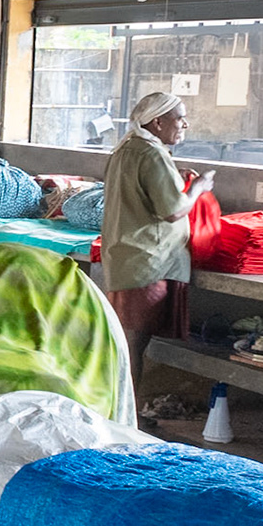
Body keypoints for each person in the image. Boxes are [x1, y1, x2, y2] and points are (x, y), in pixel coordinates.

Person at [101, 91, 215, 379]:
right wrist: (198, 188)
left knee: (126, 343)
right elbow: (174, 211)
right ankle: (130, 417)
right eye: (179, 118)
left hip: (124, 256)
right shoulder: (152, 154)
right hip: (147, 261)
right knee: (133, 346)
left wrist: (175, 175)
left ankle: (125, 412)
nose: (184, 124)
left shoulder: (127, 149)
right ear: (158, 122)